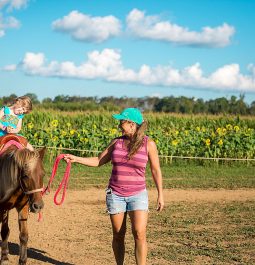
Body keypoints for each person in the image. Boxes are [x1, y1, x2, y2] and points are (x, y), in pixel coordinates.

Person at [64, 107, 164, 265]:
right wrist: (76, 158)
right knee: (118, 235)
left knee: (139, 233)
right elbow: (98, 160)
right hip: (115, 194)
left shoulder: (148, 144)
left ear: (132, 124)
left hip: (138, 194)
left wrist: (160, 194)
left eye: (122, 122)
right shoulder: (116, 142)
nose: (119, 125)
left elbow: (155, 170)